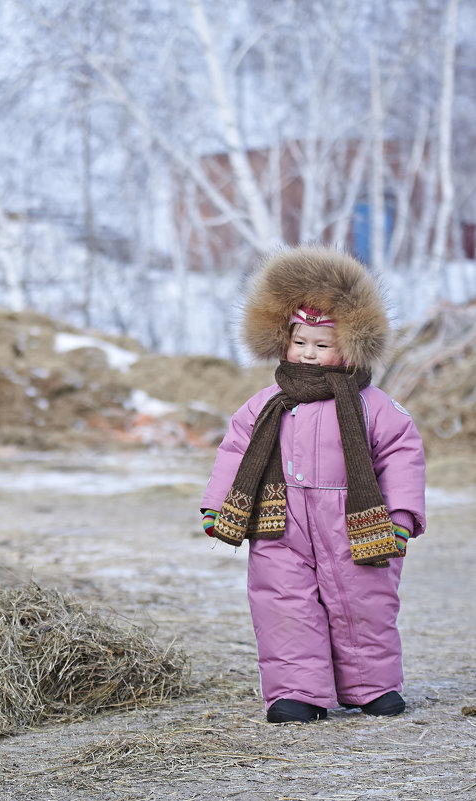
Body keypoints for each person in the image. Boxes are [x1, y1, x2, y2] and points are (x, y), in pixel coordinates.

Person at [200, 245, 426, 724]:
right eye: (300, 341)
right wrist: (218, 506)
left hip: (356, 522)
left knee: (363, 603)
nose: (308, 352)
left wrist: (401, 517)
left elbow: (402, 456)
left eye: (323, 345)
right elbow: (236, 451)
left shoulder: (374, 405)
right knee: (284, 606)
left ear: (351, 347)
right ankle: (297, 693)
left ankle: (371, 687)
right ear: (284, 339)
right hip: (278, 522)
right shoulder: (268, 402)